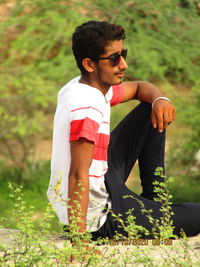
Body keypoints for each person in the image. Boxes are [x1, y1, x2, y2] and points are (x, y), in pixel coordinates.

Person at [47, 20, 200, 241]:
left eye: (123, 54)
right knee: (196, 214)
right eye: (114, 59)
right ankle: (153, 215)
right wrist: (79, 240)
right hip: (98, 218)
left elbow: (139, 88)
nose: (124, 64)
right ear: (90, 64)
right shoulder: (85, 107)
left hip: (102, 179)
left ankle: (155, 201)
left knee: (152, 109)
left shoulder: (84, 85)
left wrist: (160, 99)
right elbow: (78, 173)